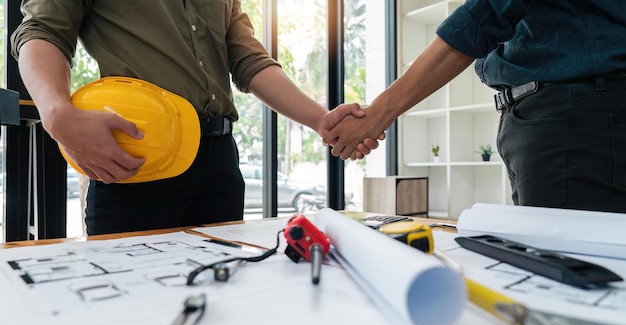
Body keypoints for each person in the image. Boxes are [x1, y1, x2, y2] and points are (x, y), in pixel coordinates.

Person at [10, 0, 379, 235]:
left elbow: (250, 62)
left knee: (221, 294)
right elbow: (42, 29)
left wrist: (322, 120)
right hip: (139, 158)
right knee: (136, 301)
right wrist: (56, 114)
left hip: (220, 162)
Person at [323, 0, 626, 213]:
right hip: (551, 113)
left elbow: (482, 17)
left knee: (568, 274)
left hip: (573, 117)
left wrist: (376, 114)